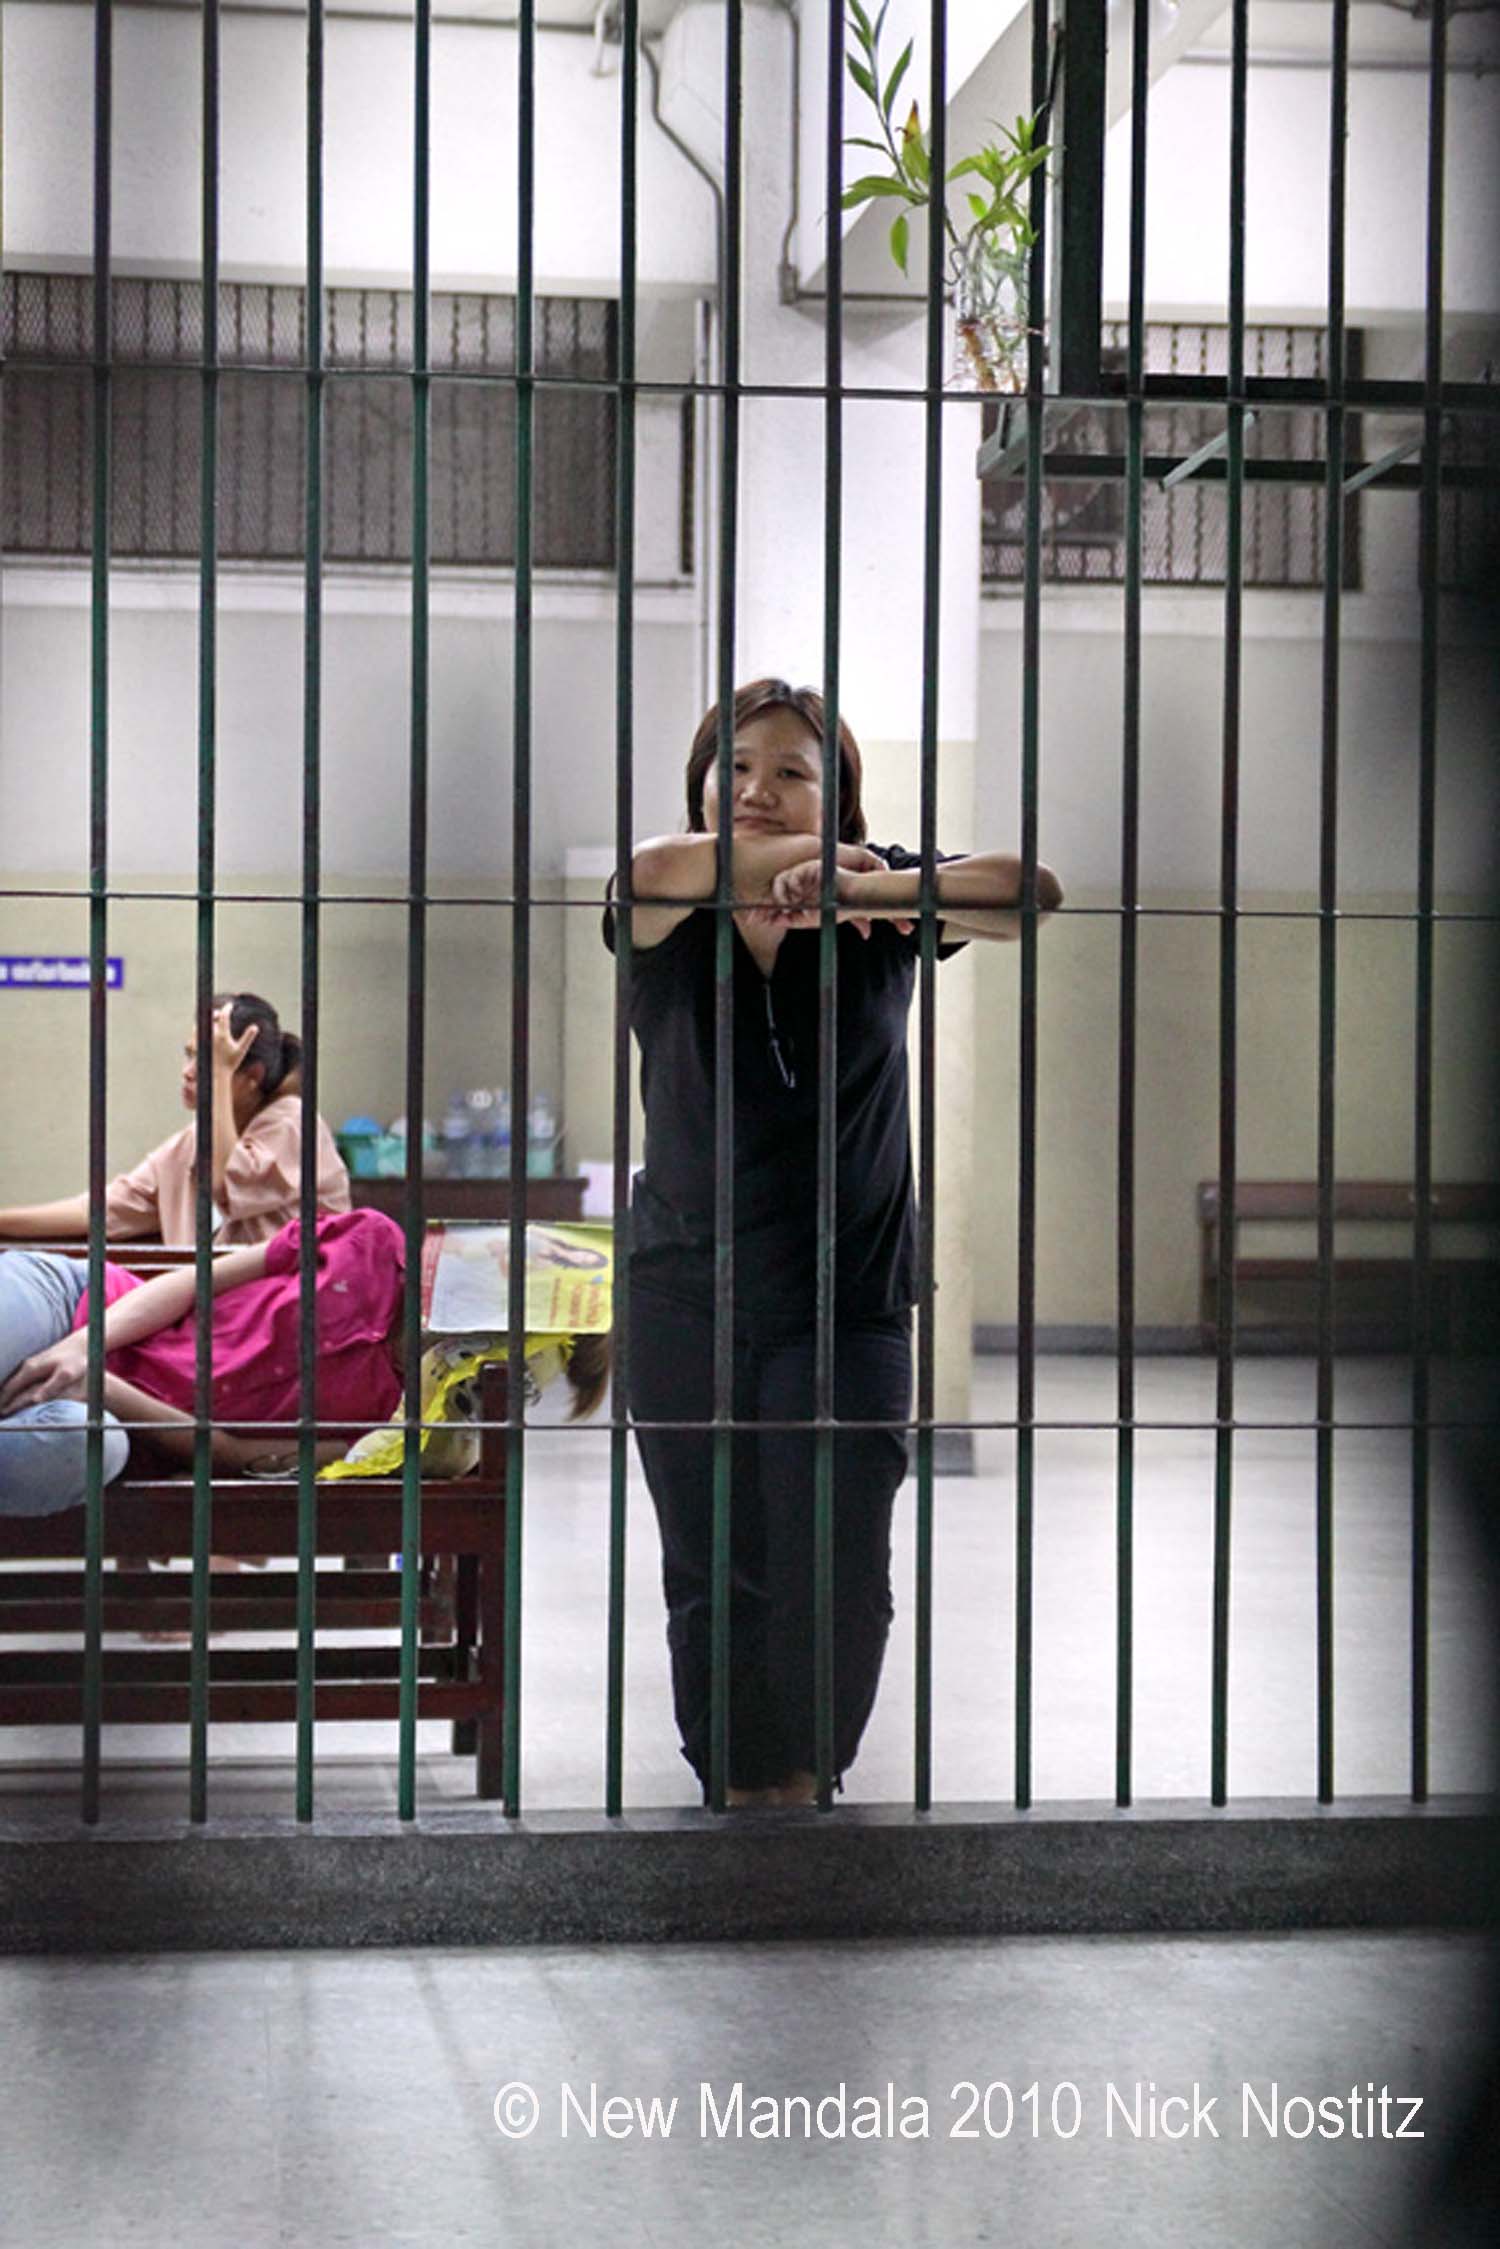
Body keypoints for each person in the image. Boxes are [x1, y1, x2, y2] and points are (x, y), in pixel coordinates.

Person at [607, 677, 1062, 1807]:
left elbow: (1031, 891)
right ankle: (732, 1780)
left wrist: (869, 885)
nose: (755, 788)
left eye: (790, 772)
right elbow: (650, 871)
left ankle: (807, 1780)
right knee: (712, 1566)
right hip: (684, 1295)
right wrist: (794, 867)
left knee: (839, 1564)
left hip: (845, 1296)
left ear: (838, 797)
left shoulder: (882, 901)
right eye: (734, 767)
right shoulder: (670, 897)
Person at [0, 1209, 406, 1515]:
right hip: (82, 1307)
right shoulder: (371, 1240)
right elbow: (193, 1283)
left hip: (116, 1426)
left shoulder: (396, 1422)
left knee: (84, 1449)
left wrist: (104, 1388)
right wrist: (82, 1347)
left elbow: (233, 1454)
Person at [0, 992, 350, 1249]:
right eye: (189, 1056)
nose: (188, 1073)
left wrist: (220, 1076)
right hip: (217, 1312)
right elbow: (98, 1211)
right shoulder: (192, 1143)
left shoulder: (293, 1123)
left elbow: (226, 1185)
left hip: (292, 1312)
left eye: (207, 1062)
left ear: (252, 1076)